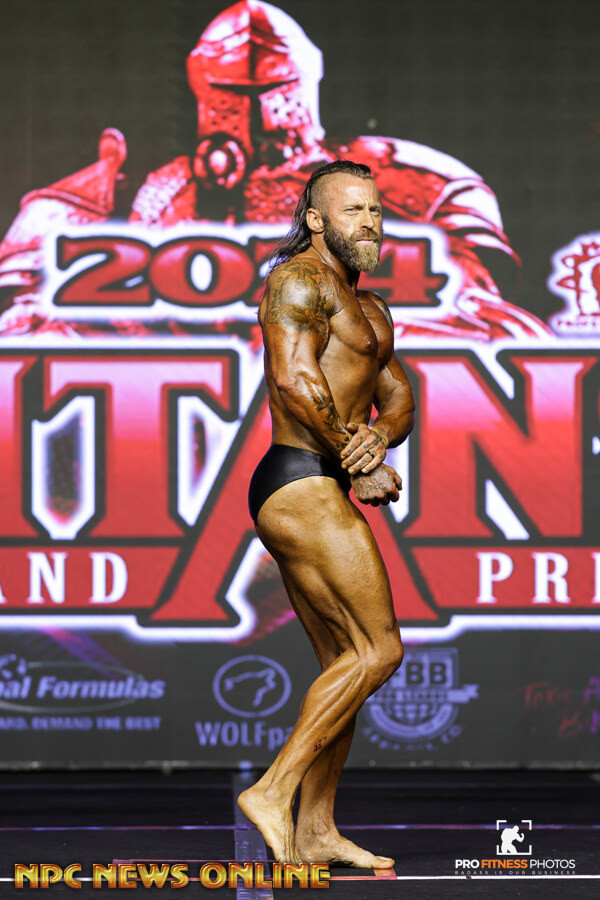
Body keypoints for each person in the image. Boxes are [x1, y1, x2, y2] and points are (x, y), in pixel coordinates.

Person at [238, 160, 416, 867]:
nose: (369, 221)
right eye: (352, 210)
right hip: (300, 481)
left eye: (375, 209)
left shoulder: (371, 309)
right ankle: (272, 790)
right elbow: (293, 379)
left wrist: (382, 435)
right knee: (380, 650)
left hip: (321, 481)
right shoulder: (298, 281)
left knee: (345, 665)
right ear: (316, 220)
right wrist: (356, 457)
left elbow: (397, 396)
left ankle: (315, 830)